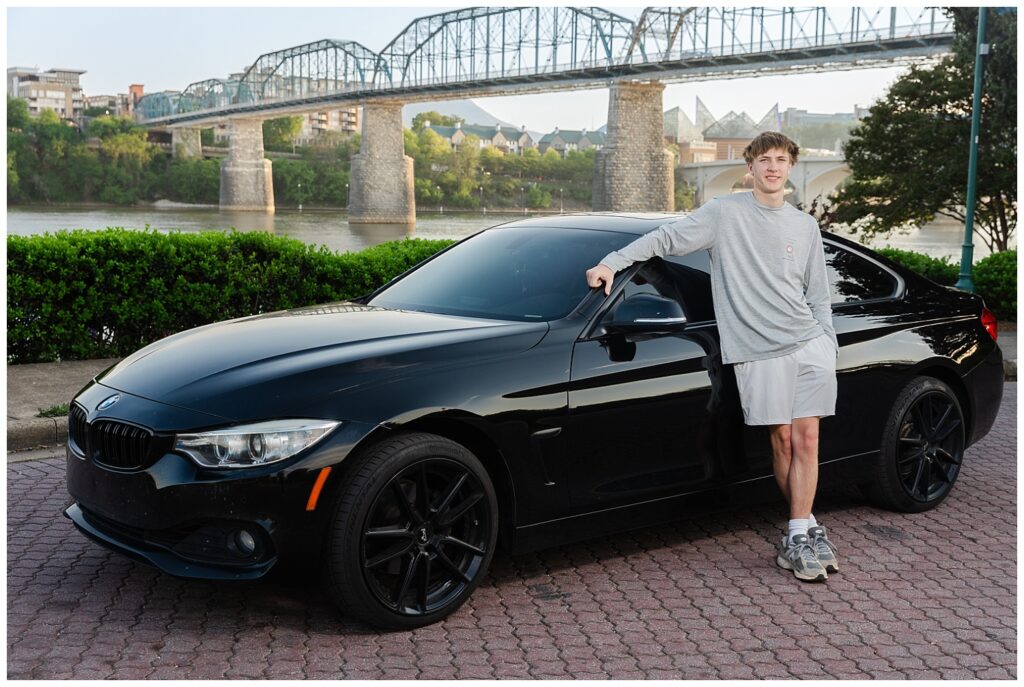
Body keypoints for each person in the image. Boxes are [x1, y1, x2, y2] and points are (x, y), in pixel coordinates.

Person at [584, 131, 839, 582]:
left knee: (809, 441)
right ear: (750, 168)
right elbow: (664, 238)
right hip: (759, 350)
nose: (773, 168)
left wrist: (828, 342)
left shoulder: (805, 226)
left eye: (781, 160)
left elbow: (818, 294)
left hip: (808, 344)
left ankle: (797, 533)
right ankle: (809, 527)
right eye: (764, 161)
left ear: (791, 168)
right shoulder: (724, 213)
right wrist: (612, 261)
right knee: (781, 441)